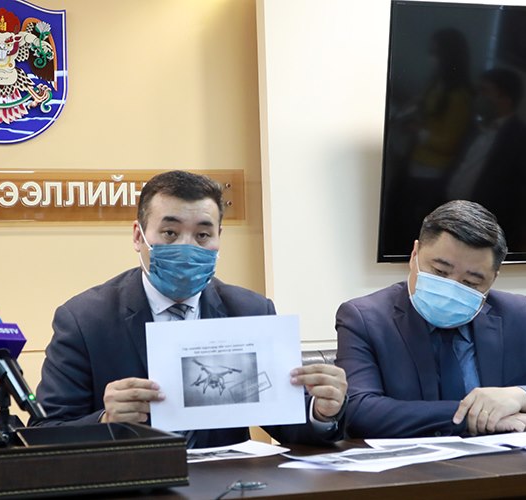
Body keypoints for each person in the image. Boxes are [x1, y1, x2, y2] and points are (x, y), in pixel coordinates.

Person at [34, 170, 348, 447]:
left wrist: (321, 412)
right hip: (132, 482)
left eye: (202, 235)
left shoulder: (250, 310)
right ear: (138, 236)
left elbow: (286, 422)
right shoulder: (85, 319)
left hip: (227, 482)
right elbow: (44, 432)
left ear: (219, 238)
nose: (187, 247)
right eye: (170, 233)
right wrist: (105, 421)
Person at [336, 200, 526, 438]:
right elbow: (360, 410)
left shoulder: (517, 315)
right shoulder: (365, 318)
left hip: (507, 469)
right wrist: (474, 416)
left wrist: (520, 396)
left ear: (493, 279)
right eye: (440, 272)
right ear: (415, 254)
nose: (452, 287)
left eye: (471, 282)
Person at [446, 68, 526, 248]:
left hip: (482, 231)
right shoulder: (475, 126)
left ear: (505, 99)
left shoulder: (525, 139)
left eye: (485, 91)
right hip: (448, 215)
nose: (479, 97)